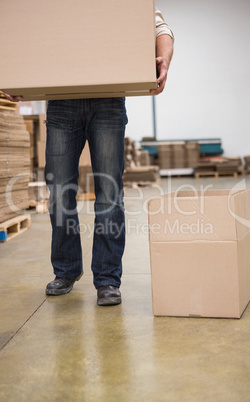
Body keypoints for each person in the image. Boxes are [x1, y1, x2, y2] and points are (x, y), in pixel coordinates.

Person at [3, 7, 174, 306]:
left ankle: (107, 279)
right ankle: (66, 270)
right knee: (58, 191)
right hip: (60, 101)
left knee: (109, 192)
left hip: (109, 100)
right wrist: (14, 75)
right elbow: (21, 30)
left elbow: (160, 28)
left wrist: (164, 61)